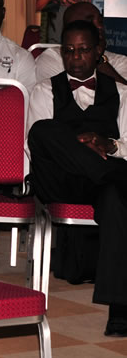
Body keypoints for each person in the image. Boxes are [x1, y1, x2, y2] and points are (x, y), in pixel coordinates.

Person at [27, 20, 127, 337]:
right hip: (60, 180)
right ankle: (111, 172)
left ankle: (120, 311)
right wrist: (79, 145)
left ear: (99, 52)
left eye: (84, 50)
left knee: (115, 199)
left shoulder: (122, 94)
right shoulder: (43, 89)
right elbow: (35, 148)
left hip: (104, 185)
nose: (76, 57)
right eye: (69, 50)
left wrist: (107, 144)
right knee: (43, 131)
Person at [35, 2, 127, 84]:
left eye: (100, 21)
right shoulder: (52, 59)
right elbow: (60, 98)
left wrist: (99, 59)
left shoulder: (120, 61)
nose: (99, 27)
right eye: (90, 22)